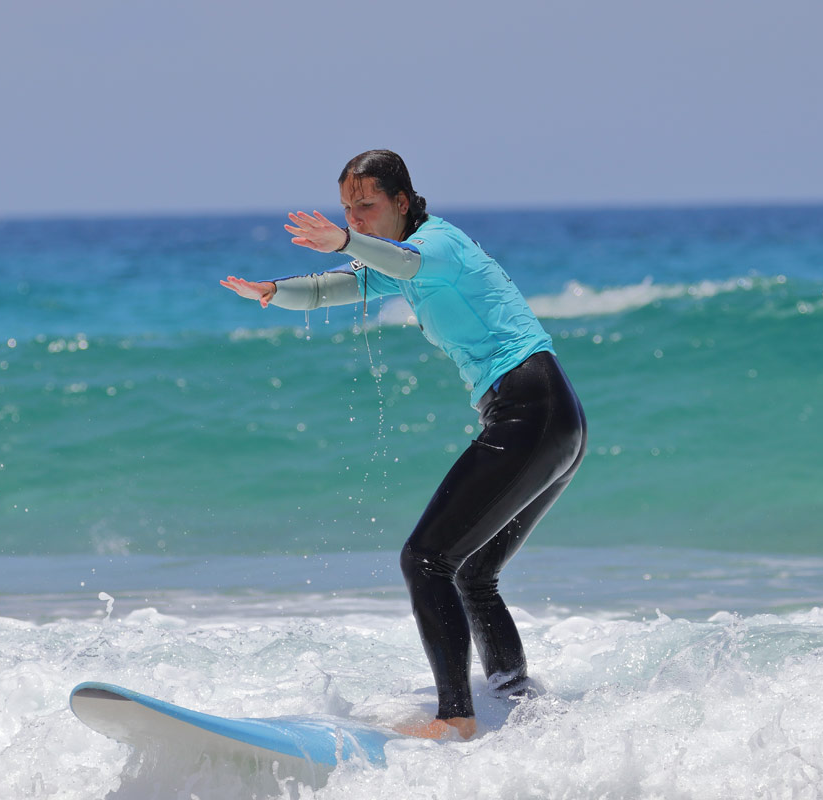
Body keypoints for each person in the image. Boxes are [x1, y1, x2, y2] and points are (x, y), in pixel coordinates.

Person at [220, 150, 586, 740]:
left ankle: (455, 719)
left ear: (403, 202)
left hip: (532, 409)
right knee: (474, 573)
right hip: (552, 415)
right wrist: (271, 291)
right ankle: (520, 705)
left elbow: (398, 261)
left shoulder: (437, 246)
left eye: (366, 205)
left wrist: (344, 239)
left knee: (426, 559)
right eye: (348, 208)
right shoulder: (395, 257)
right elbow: (331, 289)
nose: (356, 217)